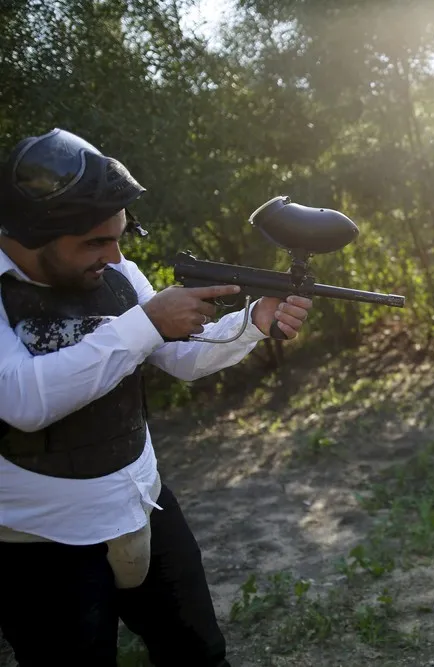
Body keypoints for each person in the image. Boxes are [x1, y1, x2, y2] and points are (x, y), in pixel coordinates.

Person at [0, 127, 314, 666]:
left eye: (119, 236)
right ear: (31, 234)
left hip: (142, 498)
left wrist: (252, 321)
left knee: (199, 653)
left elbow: (178, 355)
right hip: (42, 538)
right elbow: (23, 400)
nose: (116, 255)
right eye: (96, 242)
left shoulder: (117, 269)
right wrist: (145, 323)